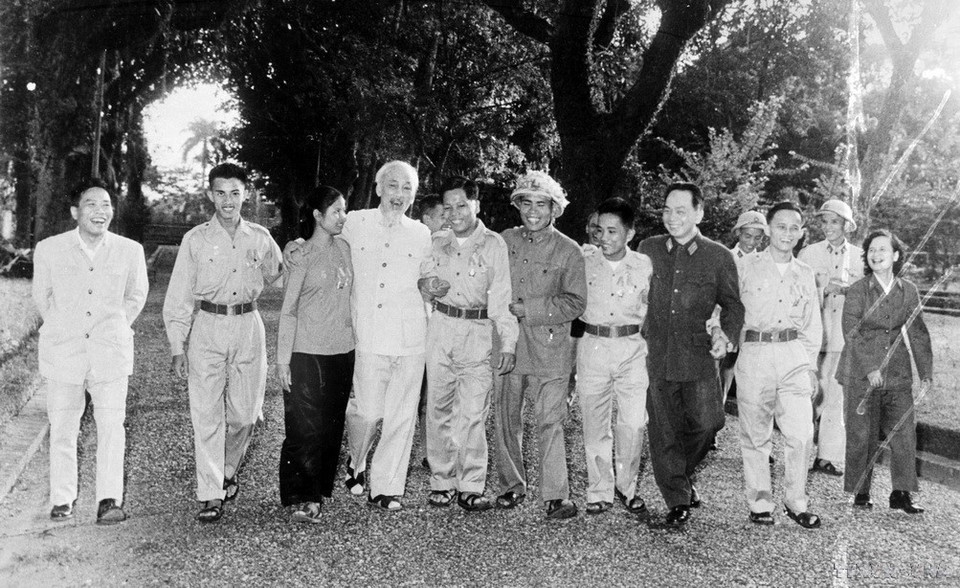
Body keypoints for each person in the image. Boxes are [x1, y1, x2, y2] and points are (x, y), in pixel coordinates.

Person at [163, 162, 283, 523]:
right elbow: (179, 296)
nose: (227, 201)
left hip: (248, 325)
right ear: (210, 195)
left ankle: (227, 469)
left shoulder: (260, 237)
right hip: (208, 326)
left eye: (234, 193)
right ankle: (210, 493)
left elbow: (281, 276)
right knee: (206, 414)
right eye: (220, 193)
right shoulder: (195, 239)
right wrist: (176, 345)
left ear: (245, 194)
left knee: (246, 415)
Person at [33, 179, 148, 525]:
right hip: (64, 352)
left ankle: (109, 499)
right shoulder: (49, 249)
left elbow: (136, 296)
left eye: (106, 205)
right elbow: (43, 297)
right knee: (64, 426)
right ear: (74, 212)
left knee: (112, 426)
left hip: (110, 353)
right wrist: (64, 329)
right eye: (91, 205)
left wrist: (114, 327)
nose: (100, 212)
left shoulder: (130, 250)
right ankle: (62, 498)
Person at [636, 182, 743, 527]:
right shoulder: (647, 249)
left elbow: (732, 306)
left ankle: (678, 473)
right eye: (666, 210)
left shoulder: (719, 256)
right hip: (655, 354)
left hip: (697, 355)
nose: (671, 217)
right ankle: (677, 498)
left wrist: (725, 335)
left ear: (699, 213)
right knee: (664, 429)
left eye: (680, 211)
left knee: (709, 423)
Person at [336, 161, 432, 511]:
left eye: (407, 188)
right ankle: (356, 460)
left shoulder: (421, 233)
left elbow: (429, 274)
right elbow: (324, 236)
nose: (399, 195)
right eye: (393, 186)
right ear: (378, 189)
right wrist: (299, 243)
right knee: (367, 412)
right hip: (368, 335)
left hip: (410, 337)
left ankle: (387, 488)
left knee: (402, 415)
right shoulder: (356, 223)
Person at [418, 176, 518, 511]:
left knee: (474, 412)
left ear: (476, 204)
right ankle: (442, 481)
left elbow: (502, 298)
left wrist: (507, 344)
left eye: (462, 205)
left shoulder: (493, 245)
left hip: (478, 331)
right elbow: (422, 276)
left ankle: (471, 486)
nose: (455, 213)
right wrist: (426, 283)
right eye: (448, 207)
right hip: (442, 327)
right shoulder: (437, 241)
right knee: (439, 408)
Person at [494, 170, 586, 519]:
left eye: (542, 204)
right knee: (506, 419)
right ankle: (510, 486)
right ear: (518, 205)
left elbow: (575, 302)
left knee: (551, 420)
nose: (533, 211)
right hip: (507, 346)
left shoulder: (569, 250)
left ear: (554, 209)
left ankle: (556, 495)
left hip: (550, 348)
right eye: (526, 203)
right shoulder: (503, 240)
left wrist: (530, 309)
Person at [735, 201, 823, 529]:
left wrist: (810, 367)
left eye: (793, 228)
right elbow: (727, 309)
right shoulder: (745, 266)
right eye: (780, 227)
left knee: (801, 433)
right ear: (769, 229)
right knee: (756, 434)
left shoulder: (805, 273)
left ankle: (795, 502)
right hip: (755, 353)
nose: (787, 234)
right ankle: (760, 503)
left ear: (801, 234)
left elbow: (813, 327)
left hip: (792, 355)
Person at [838, 229, 933, 513]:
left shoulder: (909, 290)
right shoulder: (858, 290)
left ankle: (902, 493)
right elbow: (851, 332)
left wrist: (926, 373)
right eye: (871, 250)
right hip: (860, 369)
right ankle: (860, 491)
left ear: (895, 255)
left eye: (882, 250)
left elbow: (917, 332)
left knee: (904, 432)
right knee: (862, 434)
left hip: (897, 372)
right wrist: (869, 369)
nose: (876, 255)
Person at [275, 186, 355, 523]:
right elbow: (288, 310)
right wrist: (282, 359)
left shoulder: (345, 249)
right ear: (317, 216)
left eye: (344, 210)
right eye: (335, 211)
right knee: (304, 427)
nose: (342, 217)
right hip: (306, 353)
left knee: (331, 427)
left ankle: (318, 492)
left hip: (342, 351)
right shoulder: (300, 255)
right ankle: (302, 497)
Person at [576, 198, 652, 516]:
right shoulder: (583, 261)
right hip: (593, 344)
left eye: (612, 231)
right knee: (595, 422)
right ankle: (599, 490)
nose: (604, 237)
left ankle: (626, 486)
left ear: (629, 233)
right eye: (599, 230)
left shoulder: (646, 266)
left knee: (633, 423)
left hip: (632, 347)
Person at [798, 199, 864, 477]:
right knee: (807, 394)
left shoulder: (861, 257)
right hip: (813, 335)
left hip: (844, 336)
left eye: (834, 221)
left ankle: (826, 456)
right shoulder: (807, 254)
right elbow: (798, 293)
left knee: (836, 396)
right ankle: (799, 451)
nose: (828, 227)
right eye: (824, 221)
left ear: (847, 226)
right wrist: (825, 288)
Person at [414, 193, 447, 468]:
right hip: (413, 329)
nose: (447, 221)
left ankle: (431, 451)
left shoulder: (445, 246)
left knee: (433, 393)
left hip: (435, 329)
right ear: (426, 219)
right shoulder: (416, 244)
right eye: (441, 216)